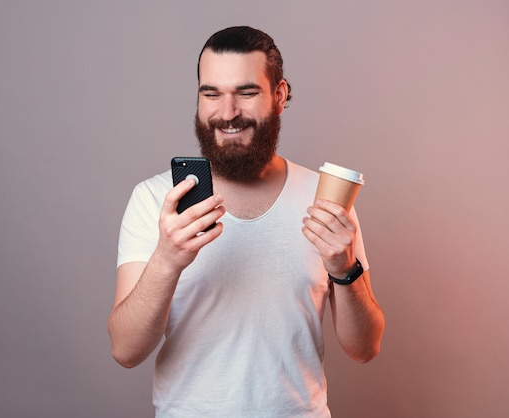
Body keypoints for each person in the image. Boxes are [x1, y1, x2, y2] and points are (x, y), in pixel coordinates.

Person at [108, 26, 385, 417]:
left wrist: (345, 268)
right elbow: (125, 350)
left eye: (246, 92)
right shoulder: (156, 200)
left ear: (280, 95)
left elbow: (365, 348)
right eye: (211, 94)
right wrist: (167, 259)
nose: (227, 113)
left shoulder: (324, 199)